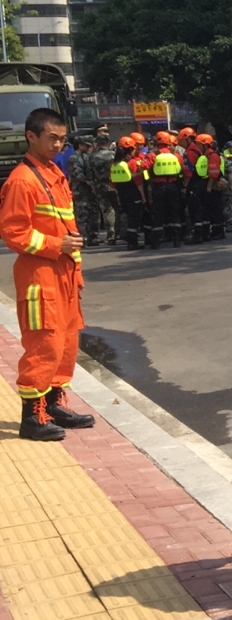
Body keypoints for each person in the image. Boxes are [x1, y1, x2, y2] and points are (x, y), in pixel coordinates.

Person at [1, 108, 94, 440]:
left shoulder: (53, 174)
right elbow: (14, 233)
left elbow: (66, 227)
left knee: (66, 342)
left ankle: (53, 404)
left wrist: (75, 267)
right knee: (44, 343)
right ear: (31, 137)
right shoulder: (23, 180)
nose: (58, 145)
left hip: (64, 274)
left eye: (62, 139)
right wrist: (58, 246)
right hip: (40, 275)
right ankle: (32, 417)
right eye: (52, 138)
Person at [149, 130, 185, 248]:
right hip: (173, 186)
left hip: (159, 187)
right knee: (174, 212)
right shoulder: (176, 156)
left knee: (158, 213)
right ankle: (177, 240)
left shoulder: (153, 155)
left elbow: (143, 167)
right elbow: (182, 169)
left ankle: (156, 242)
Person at [109, 137, 145, 250]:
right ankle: (133, 242)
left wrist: (119, 197)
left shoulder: (113, 164)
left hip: (121, 194)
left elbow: (112, 183)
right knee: (134, 218)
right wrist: (143, 196)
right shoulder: (132, 163)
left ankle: (130, 241)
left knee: (128, 216)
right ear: (130, 149)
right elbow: (138, 181)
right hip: (133, 193)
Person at [67, 138, 101, 247]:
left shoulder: (86, 156)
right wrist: (90, 182)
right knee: (83, 215)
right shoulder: (74, 158)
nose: (88, 147)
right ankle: (83, 238)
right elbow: (78, 175)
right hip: (81, 191)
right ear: (80, 145)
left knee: (94, 213)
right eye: (86, 145)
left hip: (90, 190)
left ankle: (93, 237)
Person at [89, 128, 118, 245]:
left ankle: (110, 234)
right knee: (117, 209)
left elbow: (90, 175)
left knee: (106, 210)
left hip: (100, 185)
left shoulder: (92, 156)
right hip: (114, 184)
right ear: (108, 143)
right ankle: (118, 232)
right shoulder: (113, 155)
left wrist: (94, 188)